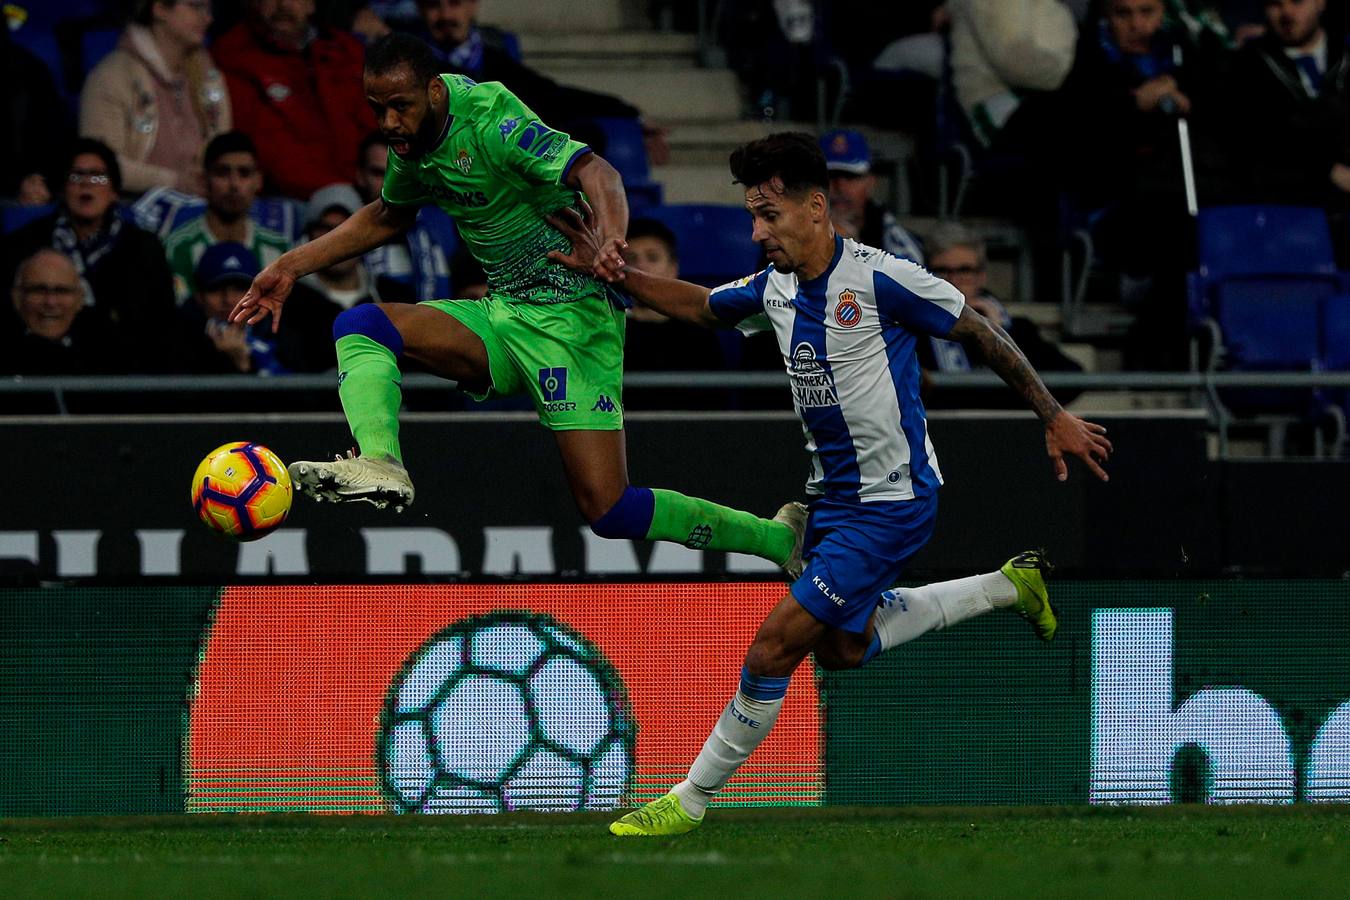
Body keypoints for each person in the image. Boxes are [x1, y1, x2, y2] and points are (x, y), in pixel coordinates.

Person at [543, 131, 1112, 836]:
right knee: (842, 648)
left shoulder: (882, 278)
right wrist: (613, 271)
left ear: (818, 209)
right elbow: (697, 306)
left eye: (769, 215)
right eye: (752, 214)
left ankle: (687, 800)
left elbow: (980, 333)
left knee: (772, 647)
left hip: (893, 502)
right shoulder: (773, 288)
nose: (757, 231)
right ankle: (1007, 586)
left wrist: (1052, 415)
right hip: (834, 503)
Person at [229, 34, 805, 573]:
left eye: (399, 106)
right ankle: (380, 460)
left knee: (610, 510)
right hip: (503, 316)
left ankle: (776, 539)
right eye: (377, 108)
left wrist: (610, 242)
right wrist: (288, 265)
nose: (389, 123)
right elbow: (388, 214)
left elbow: (597, 172)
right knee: (363, 324)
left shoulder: (491, 122)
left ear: (435, 91)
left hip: (574, 322)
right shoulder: (415, 137)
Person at [413, 0, 669, 162]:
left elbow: (553, 95)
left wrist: (630, 114)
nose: (445, 15)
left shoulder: (496, 60)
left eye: (454, 3)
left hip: (512, 165)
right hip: (457, 167)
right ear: (421, 9)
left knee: (582, 134)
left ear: (472, 5)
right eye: (434, 5)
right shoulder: (412, 67)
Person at [0, 139, 176, 362]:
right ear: (63, 189)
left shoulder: (144, 248)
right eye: (76, 176)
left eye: (98, 176)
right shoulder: (25, 244)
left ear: (114, 191)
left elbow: (161, 321)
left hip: (122, 368)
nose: (87, 184)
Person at [211, 0, 376, 198]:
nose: (282, 5)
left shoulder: (349, 52)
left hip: (360, 193)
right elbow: (265, 152)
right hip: (286, 199)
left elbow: (376, 128)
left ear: (312, 5)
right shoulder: (232, 57)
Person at [918, 221, 1083, 406]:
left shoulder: (1018, 329)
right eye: (942, 270)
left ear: (981, 276)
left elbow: (1073, 380)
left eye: (965, 270)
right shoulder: (914, 333)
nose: (953, 280)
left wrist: (997, 334)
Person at [79, 0, 231, 196]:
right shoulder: (111, 77)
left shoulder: (208, 75)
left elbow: (226, 148)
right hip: (133, 211)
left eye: (209, 8)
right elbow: (98, 165)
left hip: (201, 207)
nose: (208, 18)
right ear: (159, 8)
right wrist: (174, 182)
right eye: (196, 6)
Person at [1228, 0, 1350, 206]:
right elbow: (1254, 143)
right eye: (1275, 4)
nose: (1286, 13)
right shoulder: (1245, 69)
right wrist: (1326, 168)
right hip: (1291, 208)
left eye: (1297, 1)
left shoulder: (1344, 57)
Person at [163, 132, 293, 302]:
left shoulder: (279, 249)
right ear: (203, 180)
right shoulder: (178, 248)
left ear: (258, 181)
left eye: (244, 173)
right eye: (222, 173)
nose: (234, 184)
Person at [622, 218, 728, 410]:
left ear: (673, 268)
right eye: (631, 260)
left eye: (652, 258)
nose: (641, 268)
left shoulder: (699, 333)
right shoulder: (610, 330)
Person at [0, 249, 118, 375]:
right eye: (39, 290)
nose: (50, 302)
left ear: (80, 300)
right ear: (17, 298)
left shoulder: (110, 351)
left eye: (62, 291)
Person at [818, 129, 925, 264]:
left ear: (870, 182)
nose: (840, 187)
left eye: (851, 177)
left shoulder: (896, 241)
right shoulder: (790, 232)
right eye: (830, 176)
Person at [298, 183, 378, 308]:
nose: (337, 240)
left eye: (347, 230)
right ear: (308, 236)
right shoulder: (289, 303)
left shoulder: (391, 296)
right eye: (326, 229)